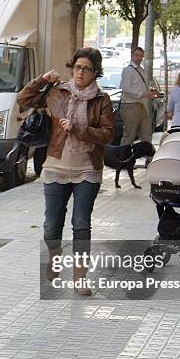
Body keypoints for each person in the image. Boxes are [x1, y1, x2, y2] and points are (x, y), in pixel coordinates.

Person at [18, 47, 115, 294]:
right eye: (78, 67)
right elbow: (23, 100)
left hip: (87, 169)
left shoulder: (102, 100)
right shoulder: (57, 91)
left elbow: (108, 134)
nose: (81, 72)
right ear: (72, 67)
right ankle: (55, 254)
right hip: (55, 166)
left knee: (81, 223)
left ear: (96, 73)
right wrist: (42, 80)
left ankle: (80, 276)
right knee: (52, 225)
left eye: (87, 69)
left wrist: (79, 128)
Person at [119, 47, 158, 145]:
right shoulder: (128, 70)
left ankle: (149, 156)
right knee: (129, 135)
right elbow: (126, 88)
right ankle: (123, 157)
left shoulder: (141, 70)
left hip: (141, 105)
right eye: (137, 55)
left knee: (146, 133)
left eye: (141, 56)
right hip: (130, 105)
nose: (139, 58)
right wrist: (143, 94)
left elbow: (141, 86)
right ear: (132, 56)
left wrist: (150, 91)